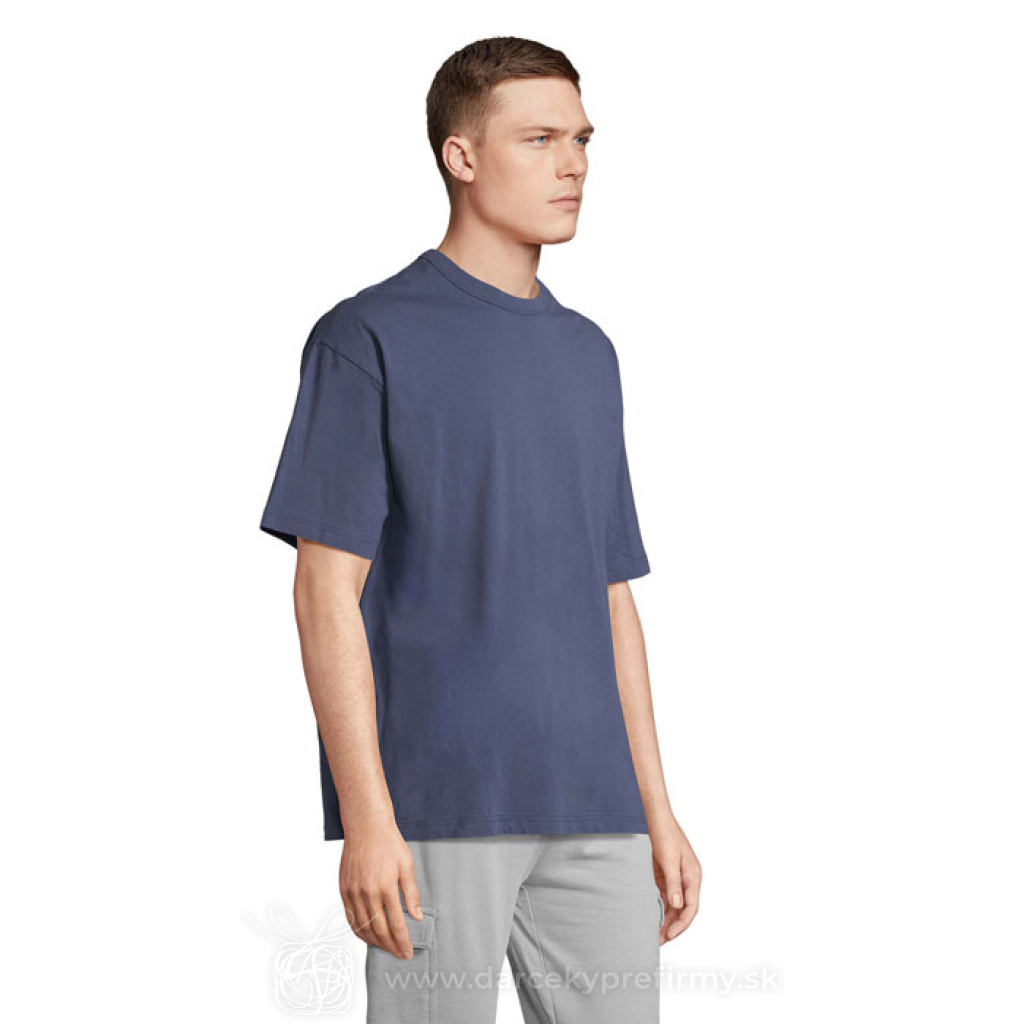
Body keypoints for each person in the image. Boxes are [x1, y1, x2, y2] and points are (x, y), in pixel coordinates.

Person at [259, 35, 701, 1024]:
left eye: (581, 139)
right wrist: (368, 817)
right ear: (460, 156)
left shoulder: (589, 353)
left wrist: (656, 808)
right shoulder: (366, 336)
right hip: (439, 804)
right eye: (539, 139)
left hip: (597, 808)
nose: (572, 163)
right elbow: (325, 591)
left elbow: (611, 596)